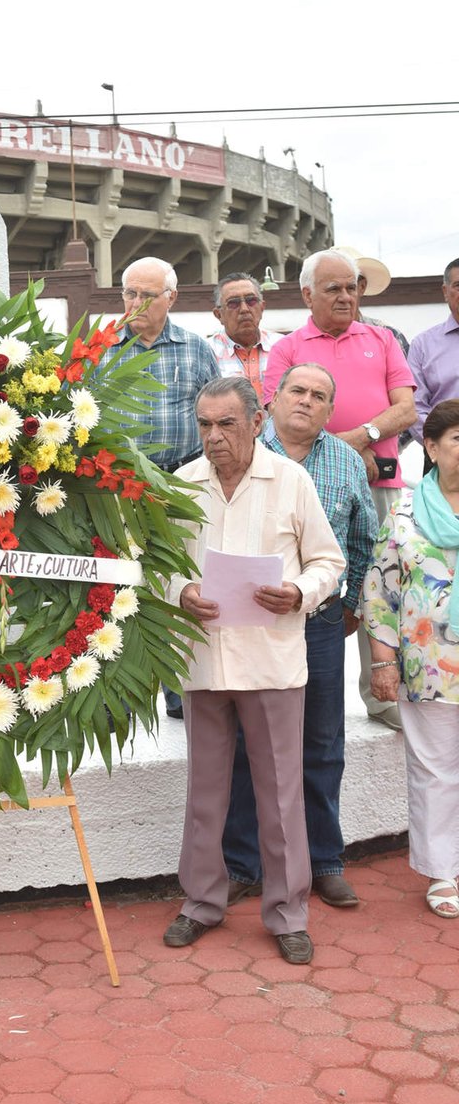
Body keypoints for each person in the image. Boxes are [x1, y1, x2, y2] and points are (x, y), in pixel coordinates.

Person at [163, 378, 344, 965]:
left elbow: (328, 560)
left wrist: (298, 591)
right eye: (205, 425)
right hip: (205, 657)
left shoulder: (290, 480)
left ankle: (288, 913)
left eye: (227, 424)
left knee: (281, 795)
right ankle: (200, 903)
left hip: (271, 659)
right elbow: (155, 563)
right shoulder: (184, 484)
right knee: (205, 792)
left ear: (257, 420)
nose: (214, 437)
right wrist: (181, 590)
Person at [223, 364, 378, 910]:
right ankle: (242, 865)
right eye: (297, 390)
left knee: (321, 741)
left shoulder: (344, 460)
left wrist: (350, 601)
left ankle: (325, 861)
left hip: (319, 625)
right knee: (245, 742)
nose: (306, 401)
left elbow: (363, 538)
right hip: (252, 625)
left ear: (331, 410)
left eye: (319, 395)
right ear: (274, 398)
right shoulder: (242, 452)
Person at [263, 247, 416, 729]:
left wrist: (358, 441)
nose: (346, 296)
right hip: (306, 482)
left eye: (352, 287)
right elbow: (275, 409)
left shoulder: (383, 338)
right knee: (304, 588)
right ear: (308, 295)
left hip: (381, 479)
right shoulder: (288, 347)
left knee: (382, 579)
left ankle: (381, 692)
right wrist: (345, 456)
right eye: (334, 289)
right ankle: (296, 692)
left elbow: (406, 409)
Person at [103, 256, 219, 719]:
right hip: (120, 488)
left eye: (146, 295)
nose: (135, 303)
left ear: (171, 297)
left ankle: (178, 688)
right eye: (129, 293)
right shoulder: (103, 349)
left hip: (183, 484)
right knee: (119, 585)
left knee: (181, 582)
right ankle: (119, 693)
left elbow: (220, 420)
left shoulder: (196, 350)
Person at [364, 398, 459, 918]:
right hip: (430, 664)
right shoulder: (403, 512)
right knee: (436, 770)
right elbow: (379, 591)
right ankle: (443, 871)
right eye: (458, 440)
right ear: (431, 447)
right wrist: (384, 661)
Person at [409, 258, 459, 443]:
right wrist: (442, 445)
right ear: (445, 291)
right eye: (458, 285)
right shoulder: (423, 345)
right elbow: (415, 408)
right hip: (441, 456)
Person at [208, 273, 280, 398]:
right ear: (219, 314)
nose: (244, 309)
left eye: (251, 301)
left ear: (262, 308)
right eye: (233, 303)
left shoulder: (282, 346)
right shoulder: (207, 352)